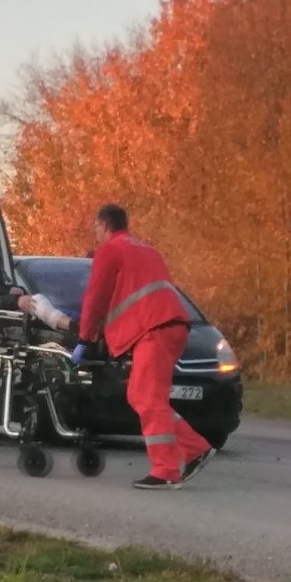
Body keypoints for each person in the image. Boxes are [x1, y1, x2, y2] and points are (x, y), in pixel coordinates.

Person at [73, 204, 215, 490]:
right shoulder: (146, 249)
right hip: (173, 325)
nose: (95, 233)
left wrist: (85, 339)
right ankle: (194, 448)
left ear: (105, 225)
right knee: (144, 396)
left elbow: (95, 297)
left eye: (95, 227)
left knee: (147, 398)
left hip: (153, 329)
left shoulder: (110, 250)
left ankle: (166, 470)